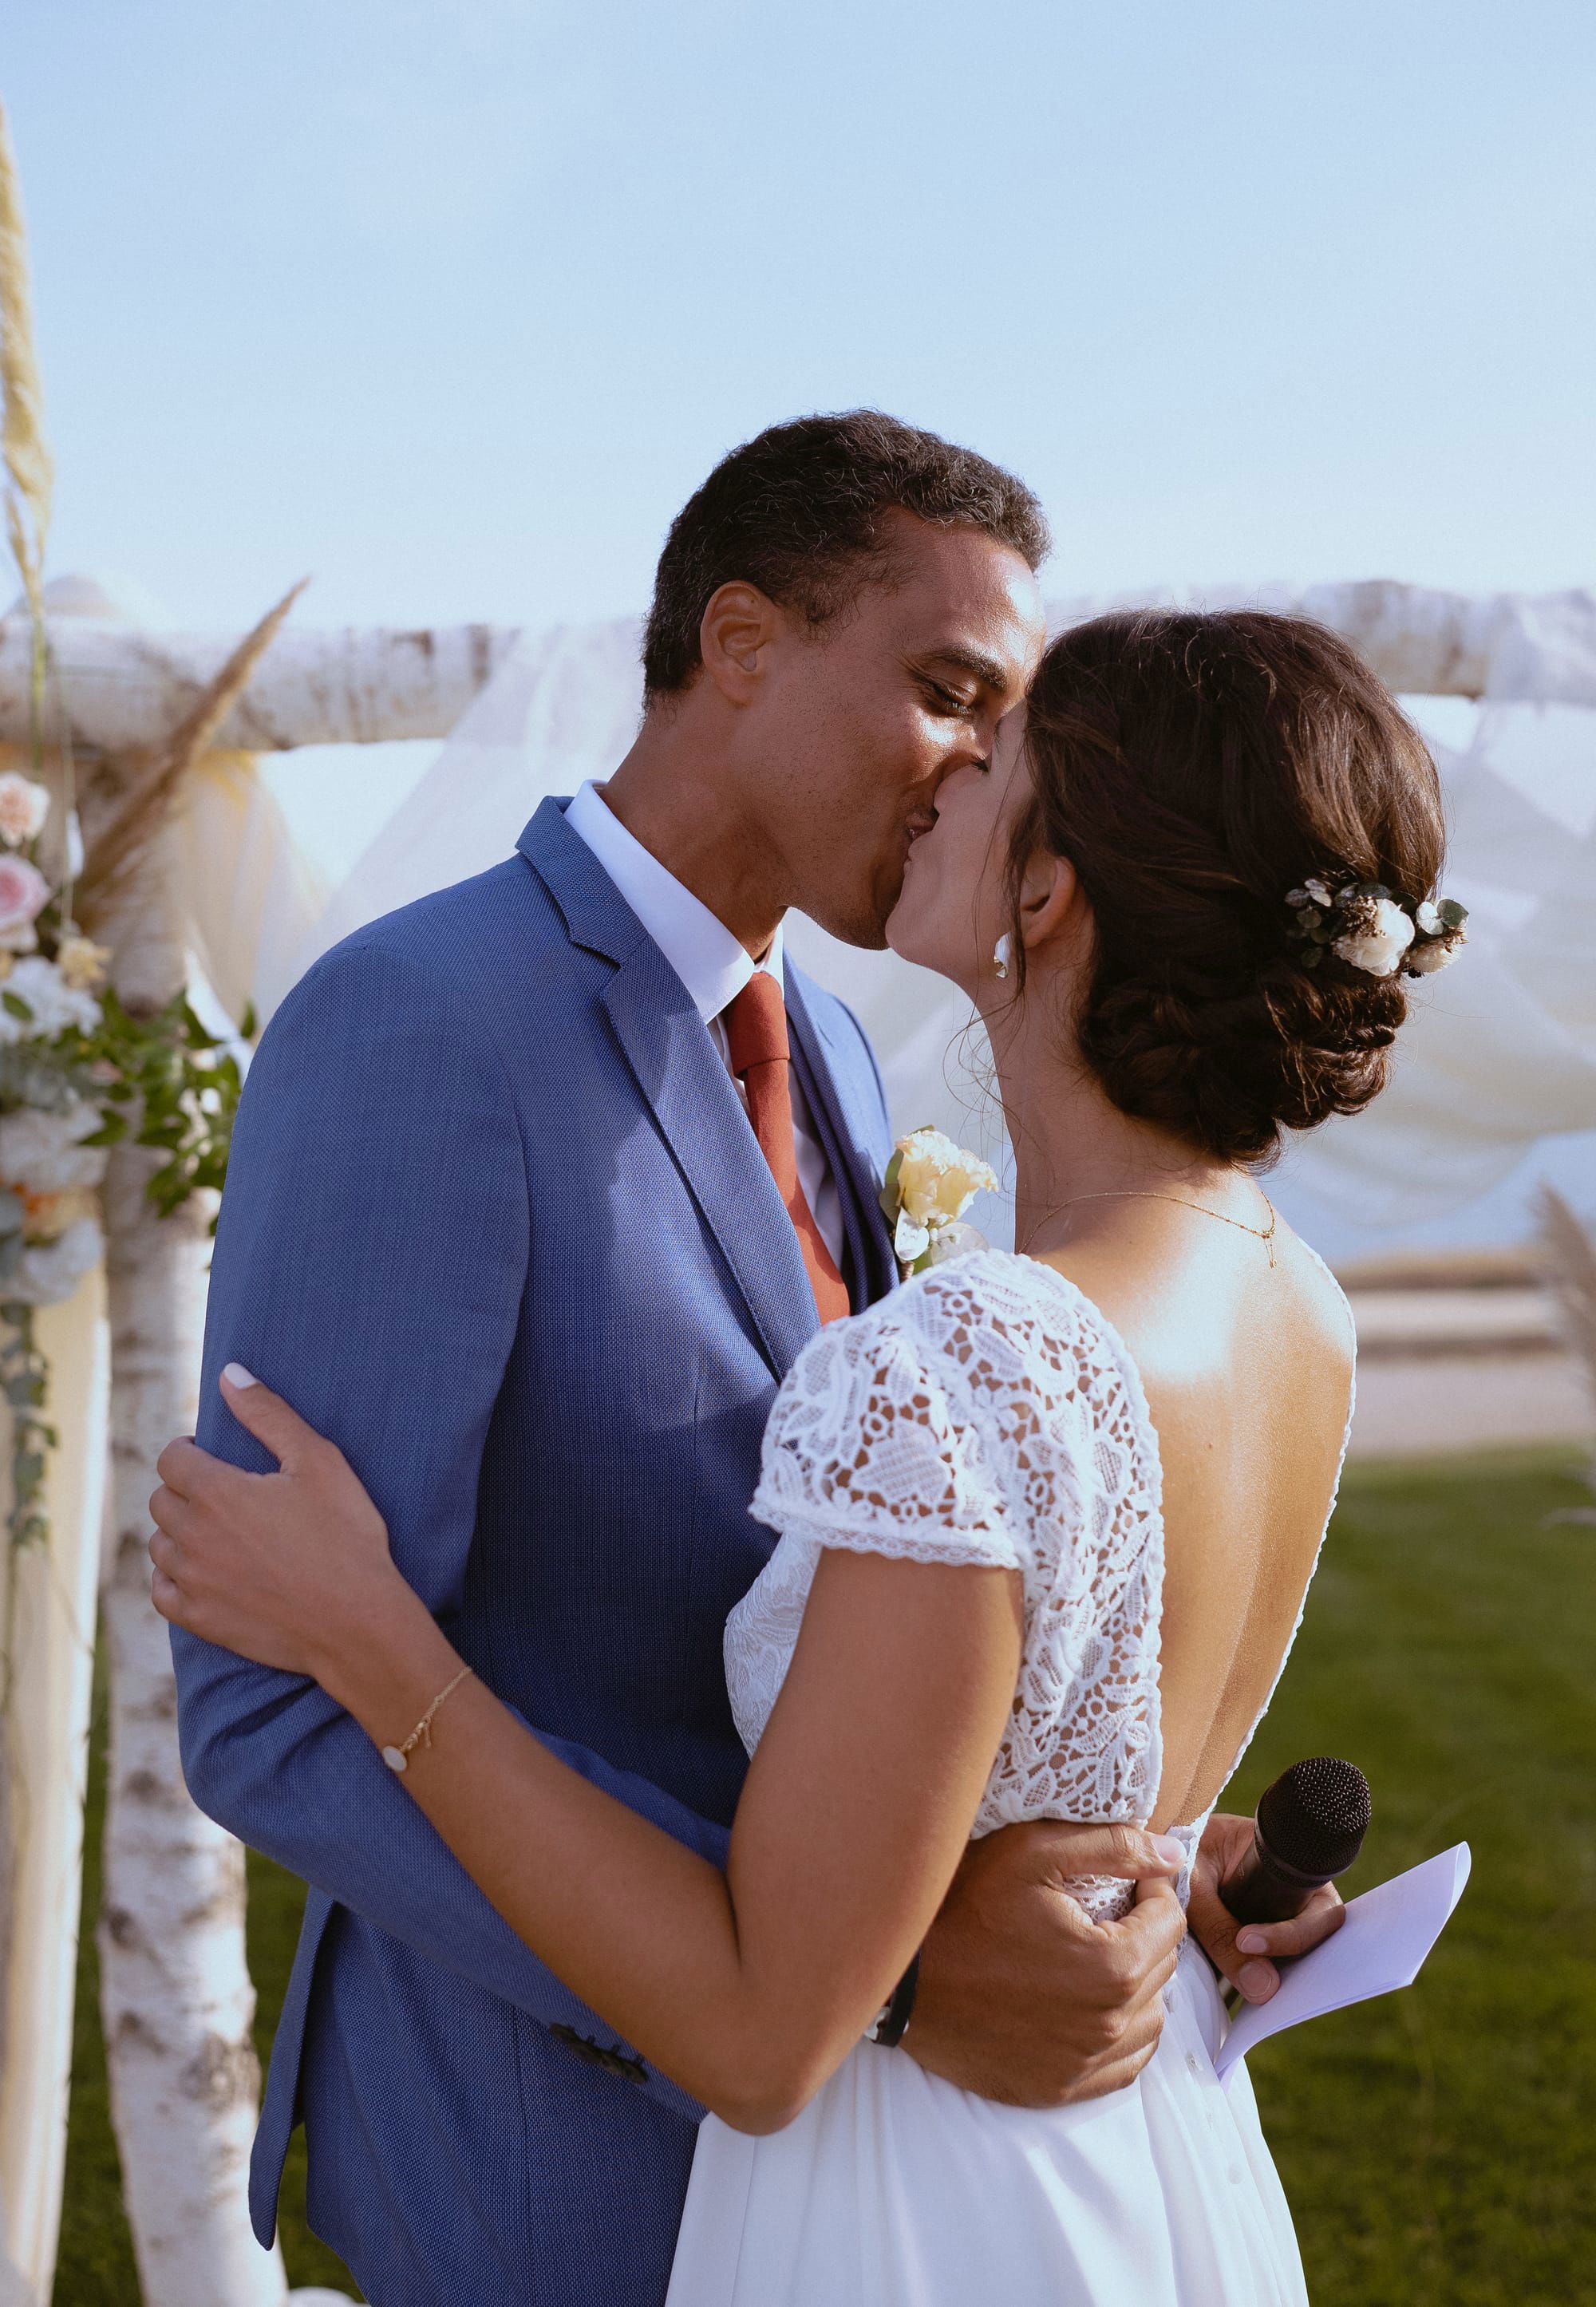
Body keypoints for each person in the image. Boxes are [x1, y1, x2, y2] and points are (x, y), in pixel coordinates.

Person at [162, 415, 1346, 2307]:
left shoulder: (849, 1054)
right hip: (551, 2159)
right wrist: (881, 1982)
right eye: (949, 690)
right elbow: (267, 1708)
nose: (984, 768)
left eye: (1008, 724)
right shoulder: (416, 1029)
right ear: (740, 644)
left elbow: (902, 1611)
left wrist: (1079, 1857)